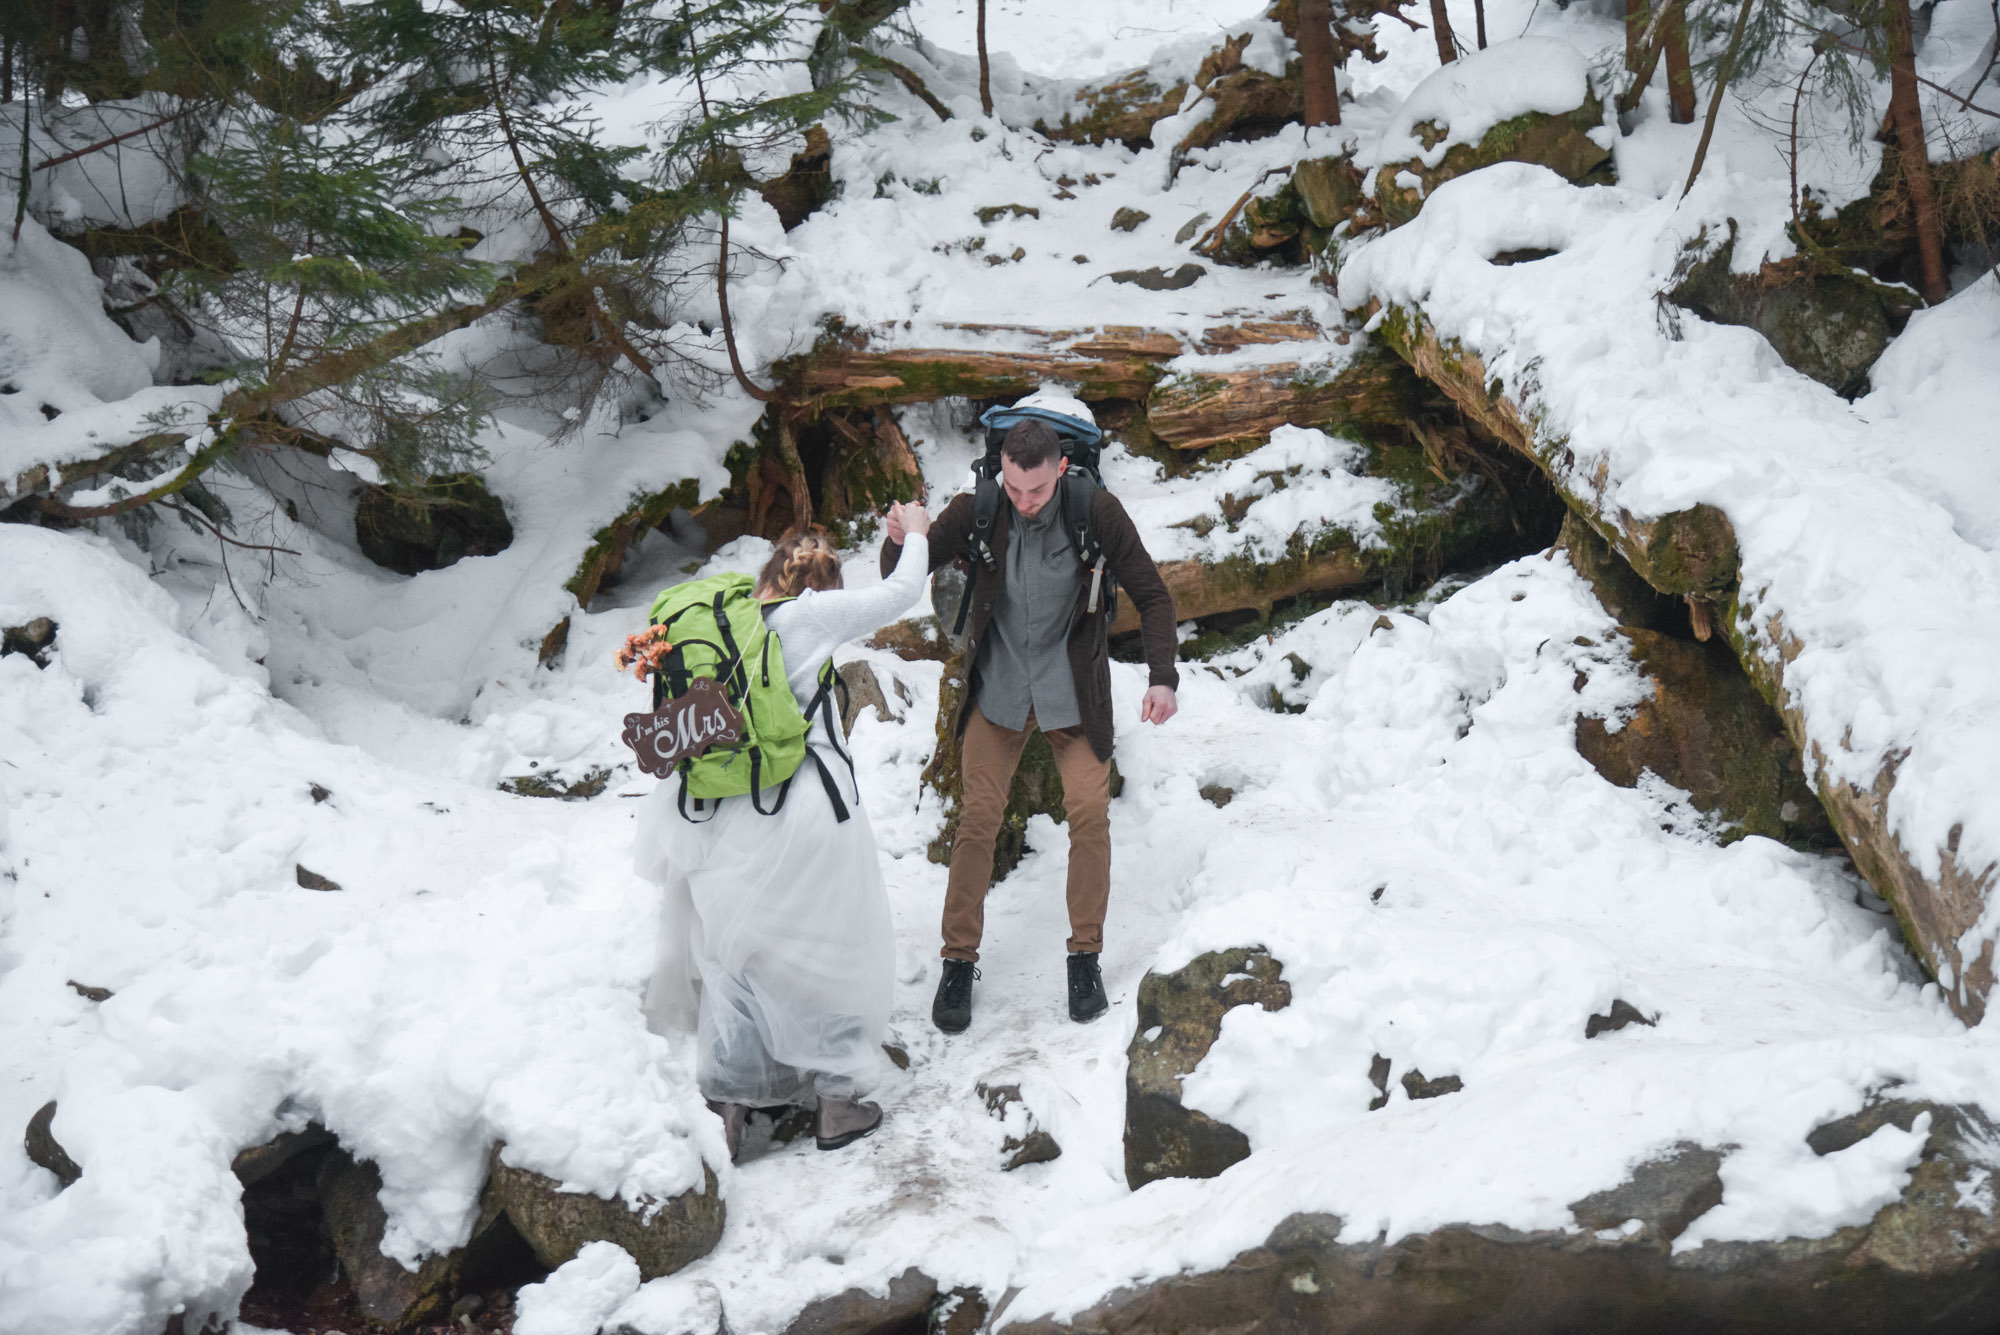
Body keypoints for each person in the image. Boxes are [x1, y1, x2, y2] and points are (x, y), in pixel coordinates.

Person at [632, 511, 931, 1161]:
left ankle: (730, 1106)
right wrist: (919, 533)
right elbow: (904, 592)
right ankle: (836, 1101)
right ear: (824, 586)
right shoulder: (811, 617)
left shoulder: (731, 616)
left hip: (719, 812)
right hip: (801, 812)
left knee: (735, 955)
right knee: (832, 949)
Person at [880, 417, 1179, 1034]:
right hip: (1001, 691)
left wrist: (1162, 677)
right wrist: (897, 539)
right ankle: (957, 963)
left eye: (1035, 491)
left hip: (1074, 695)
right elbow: (899, 578)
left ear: (1060, 470)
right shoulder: (979, 509)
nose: (1024, 501)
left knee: (1090, 815)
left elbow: (1152, 594)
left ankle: (1084, 956)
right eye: (1014, 489)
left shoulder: (1095, 511)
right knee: (978, 820)